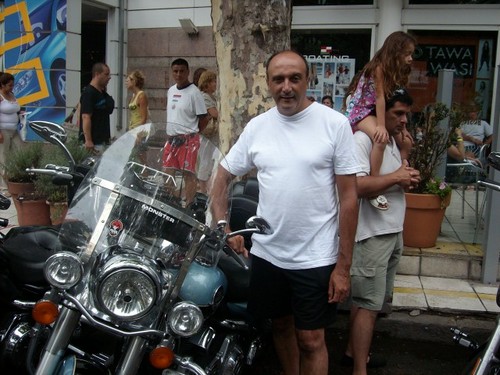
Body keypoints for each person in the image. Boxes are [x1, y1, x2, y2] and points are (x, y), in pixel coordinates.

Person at [210, 50, 360, 375]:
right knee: (279, 327)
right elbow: (221, 177)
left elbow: (349, 199)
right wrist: (225, 228)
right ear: (268, 83)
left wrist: (344, 267)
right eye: (278, 79)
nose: (287, 87)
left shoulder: (334, 125)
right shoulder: (258, 127)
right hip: (268, 254)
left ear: (308, 80)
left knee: (310, 339)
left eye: (295, 78)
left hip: (316, 257)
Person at [342, 88, 420, 375]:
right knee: (367, 305)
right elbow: (357, 187)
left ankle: (354, 353)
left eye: (406, 115)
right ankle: (359, 369)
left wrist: (404, 170)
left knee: (369, 302)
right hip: (371, 234)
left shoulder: (389, 143)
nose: (403, 121)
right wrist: (397, 177)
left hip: (391, 230)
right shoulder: (363, 140)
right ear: (379, 112)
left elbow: (387, 180)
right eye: (397, 113)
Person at [345, 31, 416, 211]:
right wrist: (381, 126)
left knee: (405, 142)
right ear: (395, 52)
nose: (410, 58)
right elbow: (380, 98)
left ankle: (401, 173)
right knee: (381, 138)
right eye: (407, 54)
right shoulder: (378, 68)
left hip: (371, 111)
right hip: (360, 111)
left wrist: (403, 130)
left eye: (411, 54)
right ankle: (373, 186)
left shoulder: (396, 71)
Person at [162, 58, 207, 204]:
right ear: (172, 72)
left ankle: (188, 205)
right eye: (175, 71)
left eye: (182, 71)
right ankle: (172, 201)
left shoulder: (194, 93)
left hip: (188, 139)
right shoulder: (171, 90)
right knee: (167, 172)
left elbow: (203, 118)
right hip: (172, 138)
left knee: (188, 174)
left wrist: (194, 133)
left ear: (187, 72)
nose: (178, 74)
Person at [79, 62, 114, 154]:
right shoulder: (89, 93)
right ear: (97, 74)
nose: (109, 77)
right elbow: (86, 116)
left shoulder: (102, 93)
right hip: (94, 143)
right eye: (106, 74)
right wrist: (88, 140)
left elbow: (109, 109)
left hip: (103, 140)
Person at [197, 70, 219, 194]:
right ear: (207, 83)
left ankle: (209, 188)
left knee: (212, 160)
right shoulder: (204, 97)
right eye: (213, 81)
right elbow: (215, 114)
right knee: (205, 161)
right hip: (206, 135)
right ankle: (203, 190)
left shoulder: (212, 97)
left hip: (212, 135)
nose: (216, 84)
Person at [0, 72, 23, 191]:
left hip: (15, 129)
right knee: (4, 157)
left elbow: (15, 109)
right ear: (2, 85)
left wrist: (20, 113)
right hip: (3, 130)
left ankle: (17, 180)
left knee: (20, 153)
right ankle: (4, 187)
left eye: (12, 85)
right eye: (9, 85)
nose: (11, 87)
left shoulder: (12, 95)